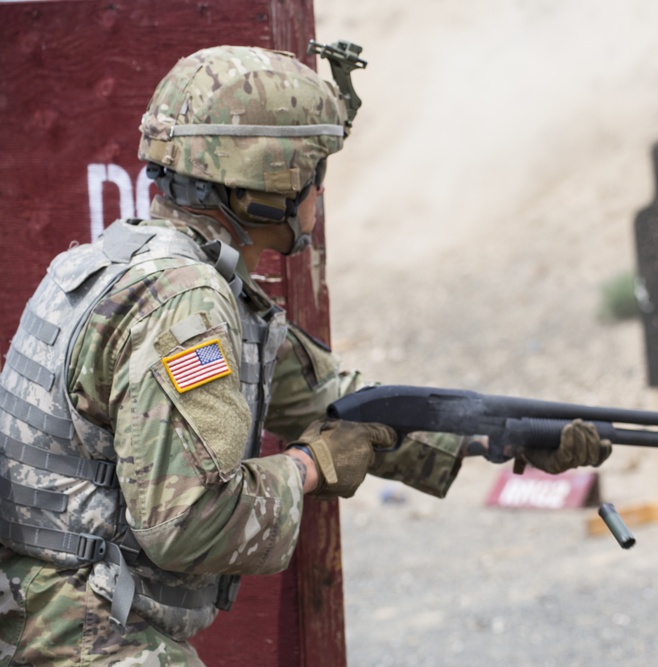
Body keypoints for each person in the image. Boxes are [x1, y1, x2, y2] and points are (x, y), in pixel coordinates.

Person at [0, 44, 611, 665]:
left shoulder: (140, 267)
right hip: (76, 636)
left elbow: (333, 398)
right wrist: (309, 468)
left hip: (47, 613)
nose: (320, 190)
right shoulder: (183, 302)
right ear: (268, 186)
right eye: (314, 173)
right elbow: (188, 525)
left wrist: (499, 437)